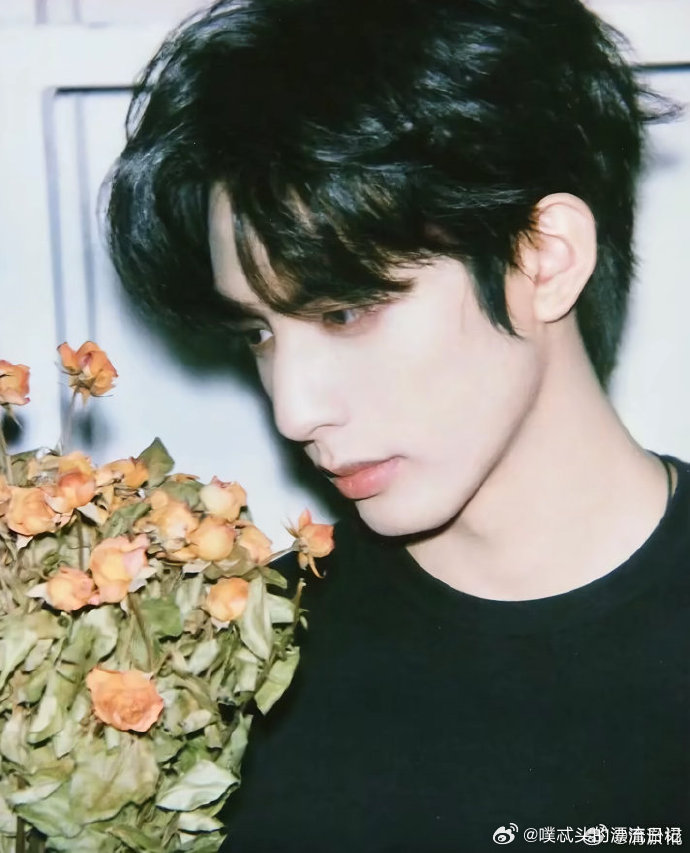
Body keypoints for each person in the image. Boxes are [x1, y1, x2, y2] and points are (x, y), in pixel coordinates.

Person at [106, 0, 689, 848]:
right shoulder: (221, 665)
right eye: (259, 333)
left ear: (544, 259)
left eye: (344, 312)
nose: (294, 409)